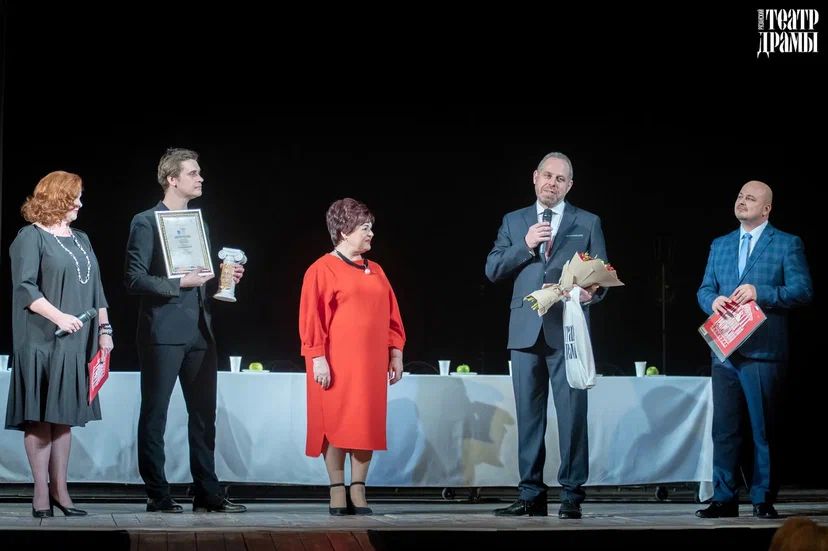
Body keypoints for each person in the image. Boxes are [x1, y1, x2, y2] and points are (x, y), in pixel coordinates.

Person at [485, 152, 606, 519]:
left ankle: (571, 494)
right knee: (528, 417)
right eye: (548, 176)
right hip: (525, 331)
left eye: (560, 179)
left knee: (572, 416)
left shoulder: (587, 221)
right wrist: (524, 245)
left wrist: (591, 292)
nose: (552, 183)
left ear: (570, 185)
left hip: (566, 330)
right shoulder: (515, 221)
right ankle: (530, 494)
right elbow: (493, 269)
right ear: (535, 177)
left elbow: (601, 274)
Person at [124, 148, 246, 513]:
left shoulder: (197, 223)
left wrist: (225, 278)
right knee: (156, 415)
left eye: (199, 172)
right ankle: (157, 493)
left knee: (204, 415)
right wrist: (179, 283)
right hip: (162, 332)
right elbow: (134, 278)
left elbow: (199, 274)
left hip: (200, 332)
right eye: (193, 173)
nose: (200, 178)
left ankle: (207, 491)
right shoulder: (146, 221)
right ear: (172, 179)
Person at [696, 180, 812, 520]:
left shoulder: (787, 244)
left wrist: (760, 292)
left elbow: (802, 290)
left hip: (763, 352)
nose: (742, 201)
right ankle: (724, 498)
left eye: (751, 198)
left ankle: (763, 498)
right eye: (739, 196)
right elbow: (704, 289)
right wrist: (712, 301)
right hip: (725, 350)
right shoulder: (720, 244)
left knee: (763, 429)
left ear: (766, 209)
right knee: (724, 430)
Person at [5, 171, 113, 517]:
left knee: (63, 418)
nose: (80, 203)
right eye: (75, 197)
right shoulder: (31, 236)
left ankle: (61, 493)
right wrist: (60, 317)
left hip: (76, 343)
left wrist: (105, 330)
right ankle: (40, 494)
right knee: (40, 419)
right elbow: (25, 288)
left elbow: (97, 289)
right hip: (40, 340)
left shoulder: (81, 238)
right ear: (57, 198)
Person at [299, 198, 406, 515]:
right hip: (335, 362)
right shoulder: (322, 269)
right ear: (344, 231)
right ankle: (336, 488)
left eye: (370, 227)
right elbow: (311, 318)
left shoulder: (377, 271)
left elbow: (392, 317)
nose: (371, 233)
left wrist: (396, 353)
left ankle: (358, 488)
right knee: (336, 422)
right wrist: (317, 357)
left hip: (370, 364)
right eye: (365, 228)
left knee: (364, 422)